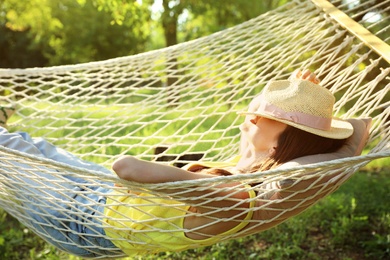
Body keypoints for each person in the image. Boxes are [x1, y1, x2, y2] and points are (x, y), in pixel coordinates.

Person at [0, 70, 371, 258]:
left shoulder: (235, 197)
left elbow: (126, 166)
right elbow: (352, 134)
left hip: (80, 220)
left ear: (284, 139)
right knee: (25, 144)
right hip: (99, 193)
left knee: (10, 148)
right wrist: (300, 94)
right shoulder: (250, 168)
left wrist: (178, 175)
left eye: (265, 118)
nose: (252, 119)